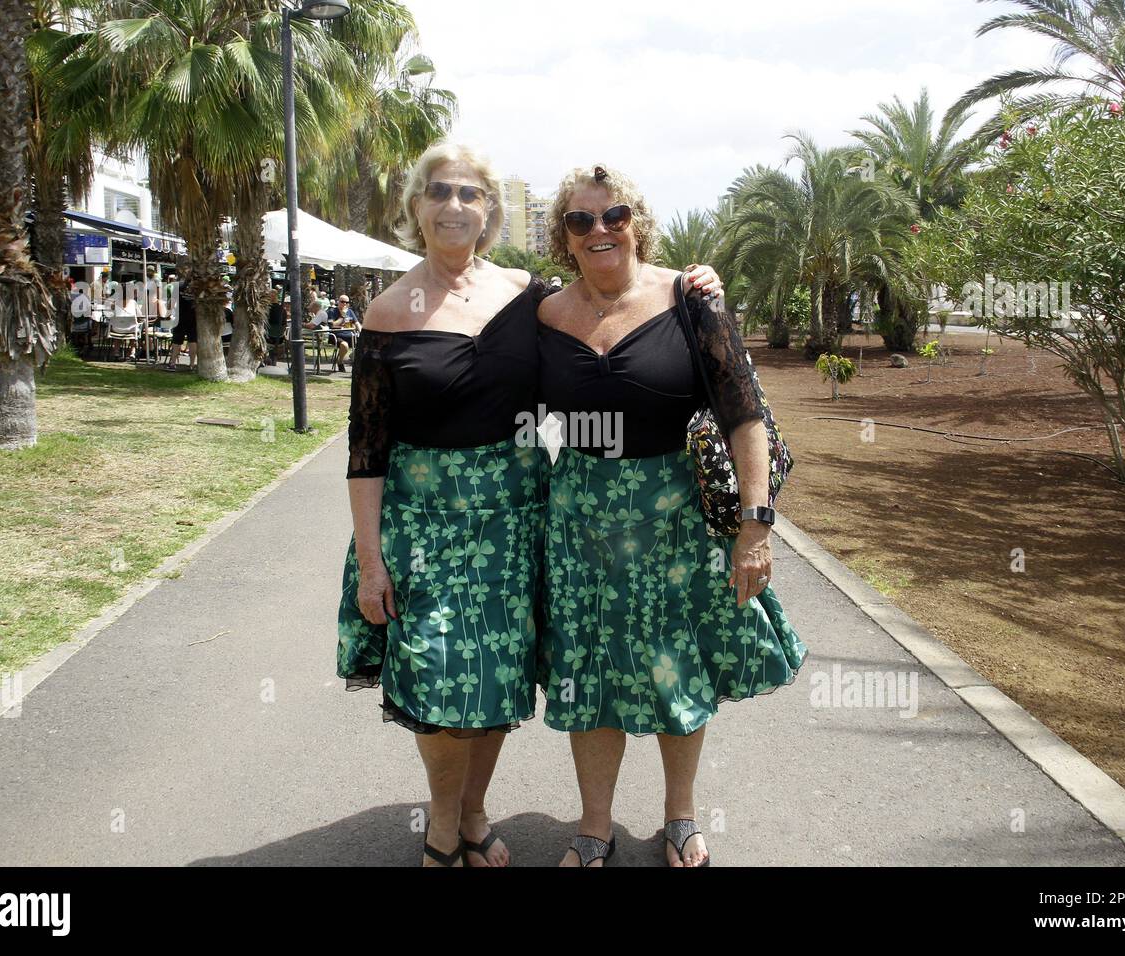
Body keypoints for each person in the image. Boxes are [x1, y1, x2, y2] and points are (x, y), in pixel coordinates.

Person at [337, 141, 724, 867]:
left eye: (471, 194)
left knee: (497, 674)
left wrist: (694, 280)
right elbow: (365, 452)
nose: (455, 206)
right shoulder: (386, 315)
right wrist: (369, 560)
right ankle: (444, 827)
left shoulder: (526, 295)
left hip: (519, 518)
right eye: (440, 192)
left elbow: (612, 291)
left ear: (489, 211)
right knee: (441, 670)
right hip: (425, 524)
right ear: (416, 207)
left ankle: (476, 815)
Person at [535, 164, 808, 867]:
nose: (599, 230)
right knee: (591, 676)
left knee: (673, 669)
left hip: (676, 520)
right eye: (580, 220)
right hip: (579, 522)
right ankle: (594, 828)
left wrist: (756, 526)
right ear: (562, 237)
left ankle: (680, 817)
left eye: (613, 214)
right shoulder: (542, 313)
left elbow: (743, 413)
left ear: (637, 222)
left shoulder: (690, 299)